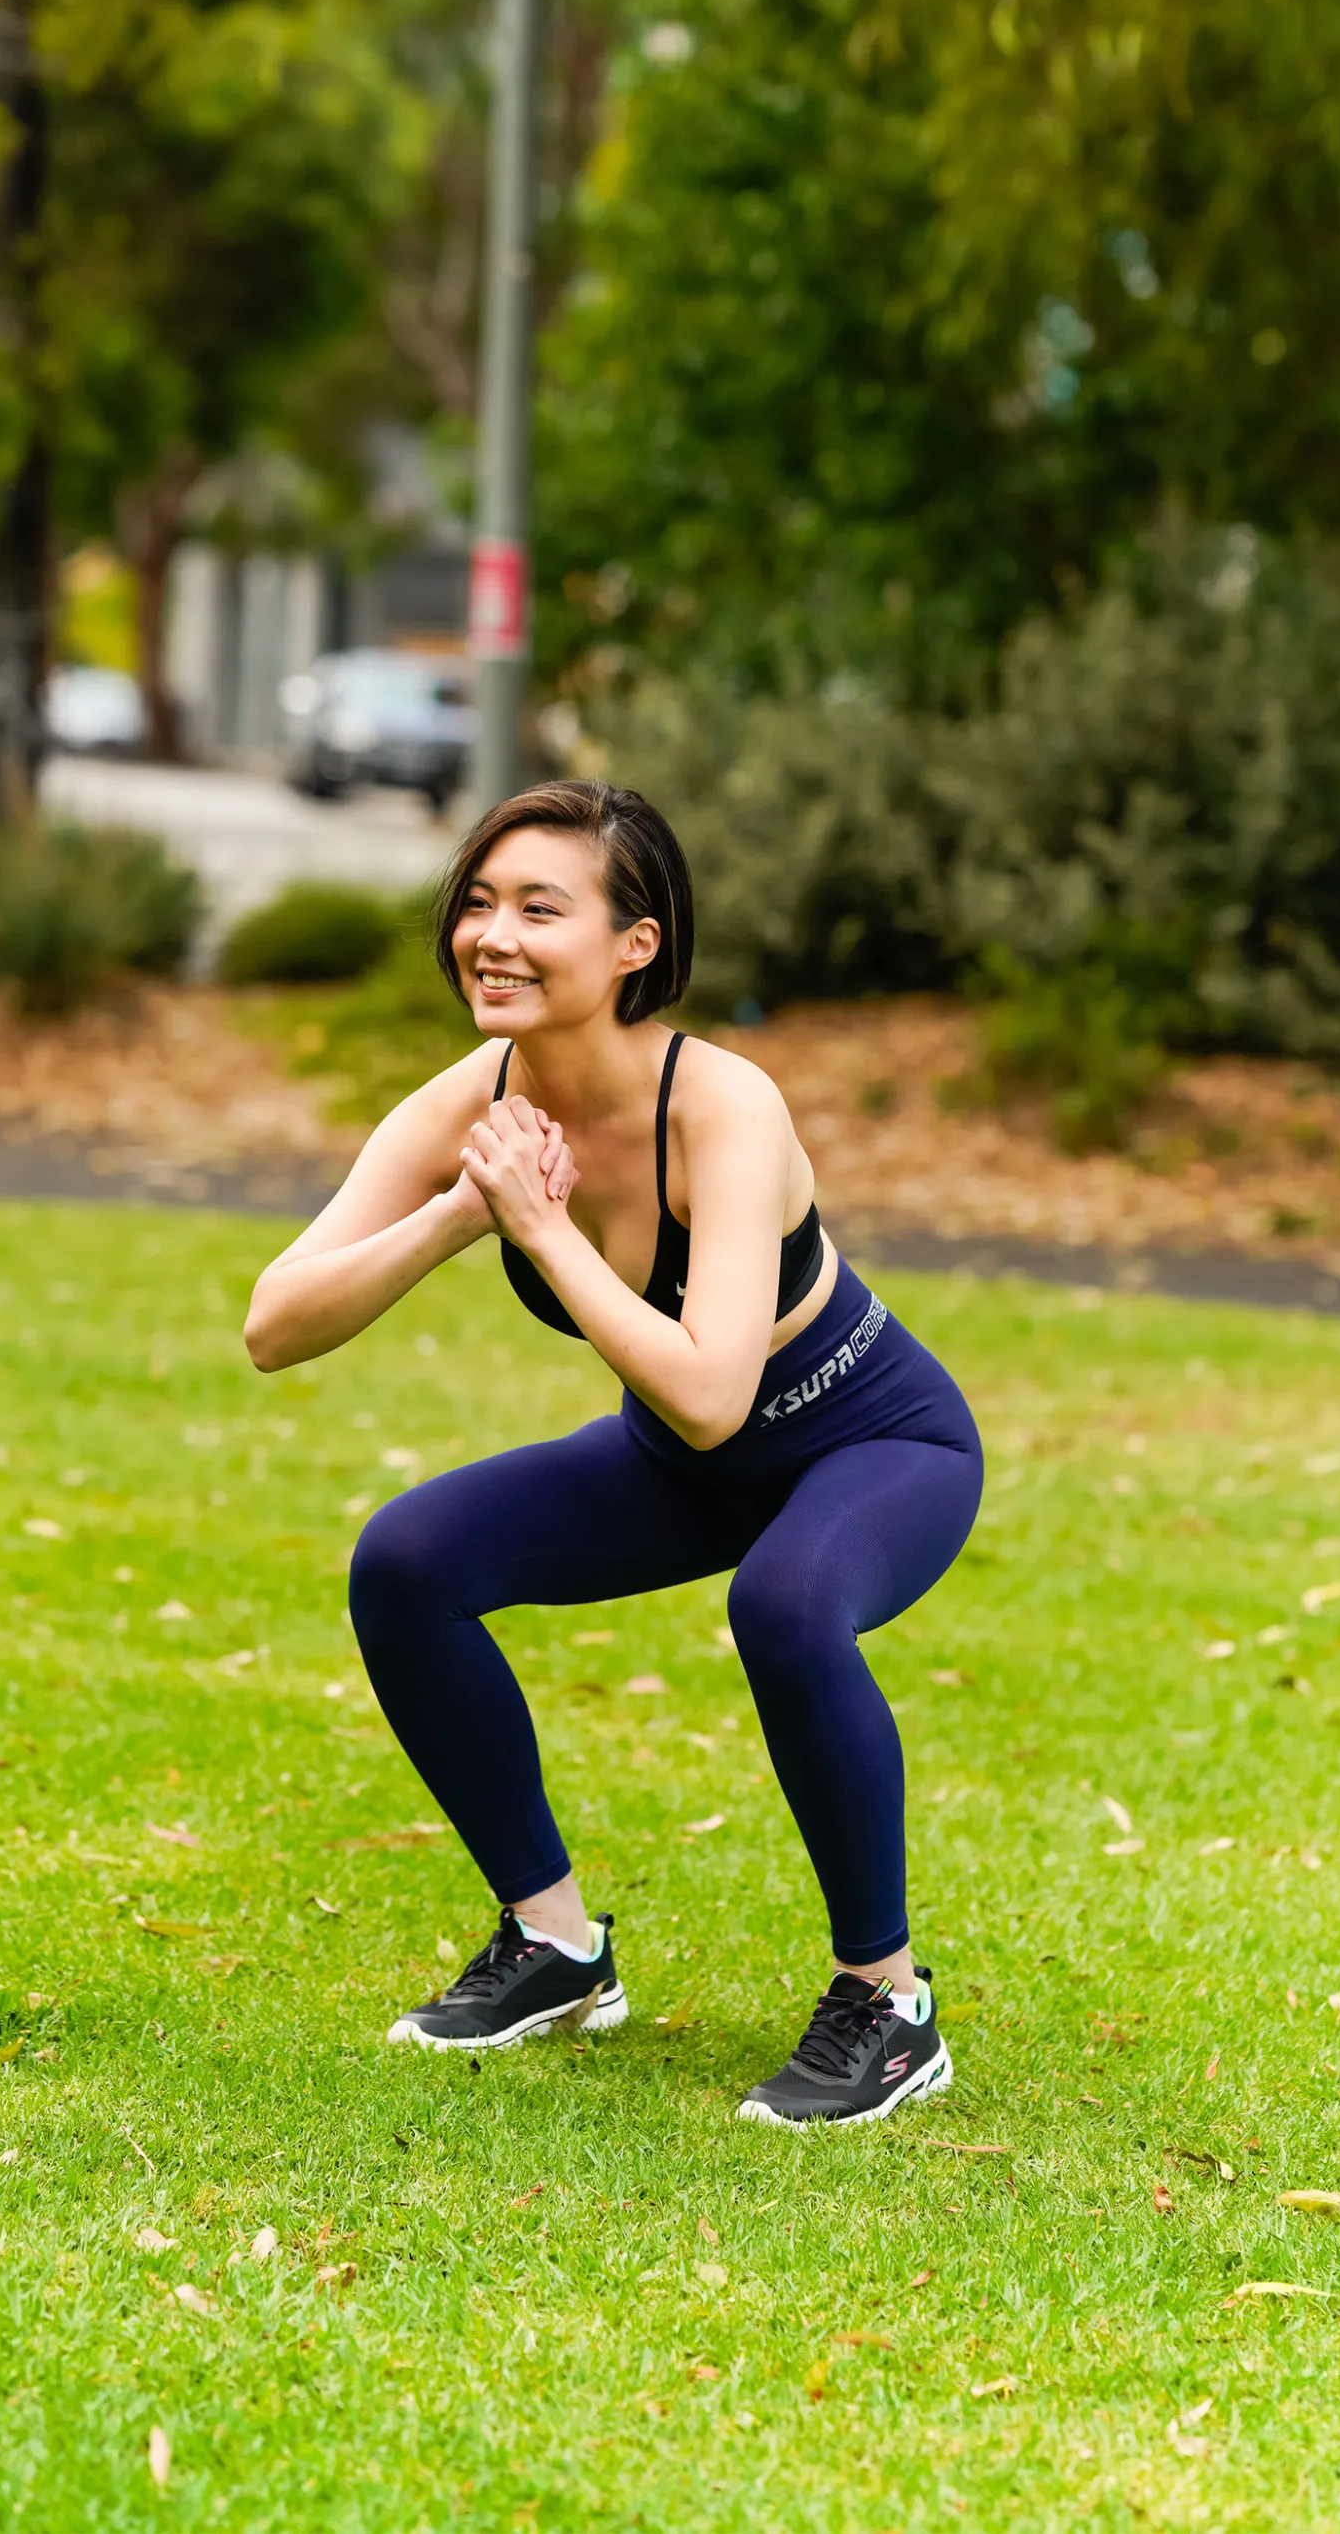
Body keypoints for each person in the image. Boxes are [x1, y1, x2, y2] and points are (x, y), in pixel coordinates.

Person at [243, 781, 983, 2125]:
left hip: (871, 1434)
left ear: (636, 943)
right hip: (682, 1460)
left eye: (540, 907)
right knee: (405, 1561)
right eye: (477, 901)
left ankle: (889, 2003)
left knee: (788, 1600)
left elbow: (714, 1389)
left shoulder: (723, 1105)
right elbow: (275, 1323)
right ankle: (557, 1947)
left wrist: (545, 1228)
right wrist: (465, 1214)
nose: (494, 934)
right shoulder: (473, 1100)